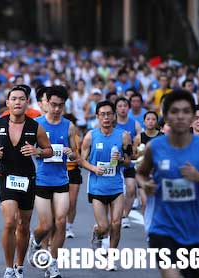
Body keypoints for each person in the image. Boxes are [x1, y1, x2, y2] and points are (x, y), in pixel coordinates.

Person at [136, 90, 199, 277]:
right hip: (163, 229)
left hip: (197, 231)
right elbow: (141, 173)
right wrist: (145, 184)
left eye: (186, 111)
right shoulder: (156, 147)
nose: (180, 116)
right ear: (166, 116)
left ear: (193, 116)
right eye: (174, 111)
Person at [0, 85, 52, 278]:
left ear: (26, 102)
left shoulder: (35, 127)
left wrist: (37, 151)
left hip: (27, 178)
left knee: (23, 224)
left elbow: (49, 150)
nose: (18, 102)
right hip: (6, 176)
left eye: (21, 99)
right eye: (14, 99)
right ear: (7, 103)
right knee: (9, 222)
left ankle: (19, 266)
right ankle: (8, 268)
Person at [27, 86, 77, 278]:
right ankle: (36, 240)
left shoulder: (69, 126)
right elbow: (28, 148)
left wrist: (70, 153)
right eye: (53, 105)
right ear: (46, 102)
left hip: (61, 180)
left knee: (61, 222)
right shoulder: (36, 125)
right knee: (46, 225)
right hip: (41, 180)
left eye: (61, 106)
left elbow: (76, 153)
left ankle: (53, 263)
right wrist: (38, 151)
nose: (56, 109)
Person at [80, 100, 131, 271]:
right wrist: (94, 168)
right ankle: (97, 232)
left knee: (116, 223)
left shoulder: (123, 136)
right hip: (97, 187)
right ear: (97, 117)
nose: (106, 117)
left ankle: (111, 257)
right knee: (104, 226)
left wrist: (121, 160)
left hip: (116, 186)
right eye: (103, 114)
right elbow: (81, 160)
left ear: (114, 116)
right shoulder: (90, 136)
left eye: (109, 114)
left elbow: (129, 160)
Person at [115, 96, 142, 228]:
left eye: (125, 106)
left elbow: (140, 141)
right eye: (119, 106)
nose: (122, 108)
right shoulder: (111, 123)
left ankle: (125, 215)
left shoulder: (135, 124)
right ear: (116, 109)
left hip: (129, 162)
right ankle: (116, 215)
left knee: (131, 189)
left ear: (129, 108)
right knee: (117, 192)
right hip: (114, 163)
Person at [133, 111, 163, 214]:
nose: (150, 122)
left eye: (153, 119)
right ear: (144, 122)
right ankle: (147, 226)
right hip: (144, 173)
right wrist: (141, 155)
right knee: (145, 202)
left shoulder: (162, 137)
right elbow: (134, 155)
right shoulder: (138, 137)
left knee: (158, 203)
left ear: (157, 122)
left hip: (158, 173)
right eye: (148, 119)